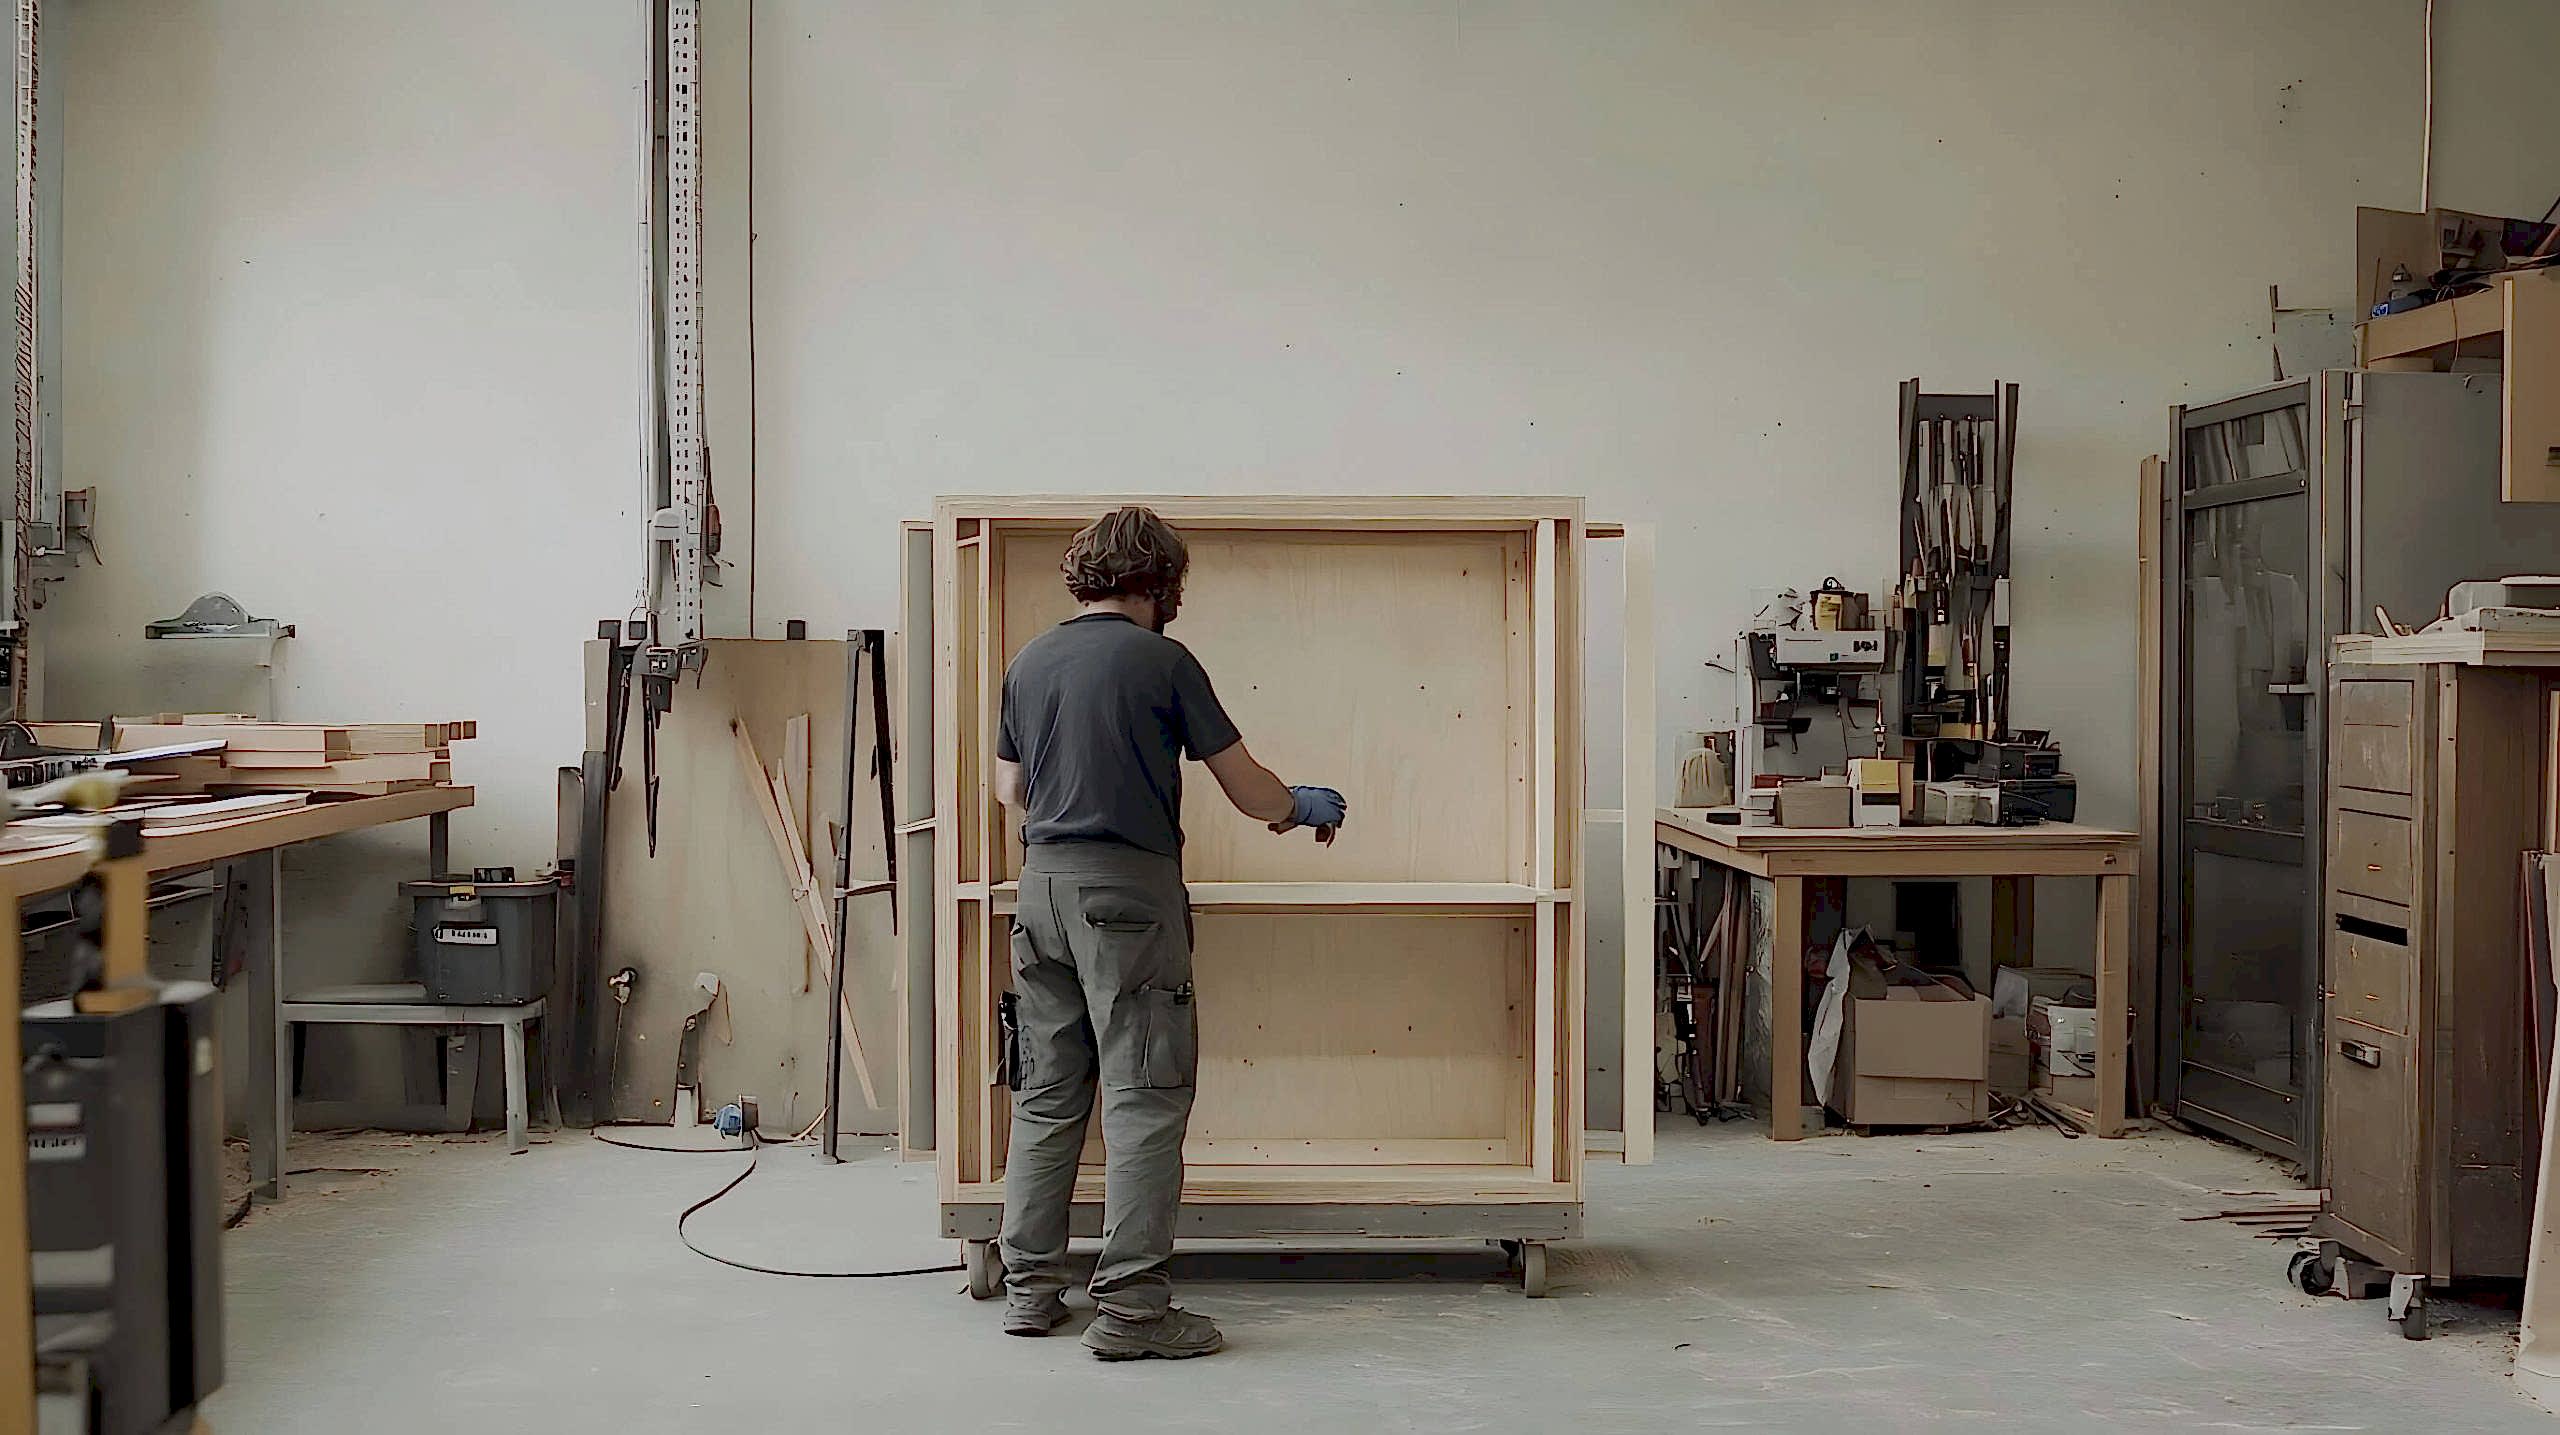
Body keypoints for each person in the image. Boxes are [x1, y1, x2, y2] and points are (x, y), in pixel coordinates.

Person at [991, 505, 1346, 1361]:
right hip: (1130, 898)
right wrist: (1299, 807)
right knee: (1144, 1099)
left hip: (1039, 894)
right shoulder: (1164, 662)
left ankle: (1032, 1291)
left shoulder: (1029, 661)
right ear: (1159, 584)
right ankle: (1134, 1311)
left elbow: (1010, 794)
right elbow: (1247, 789)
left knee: (1046, 1089)